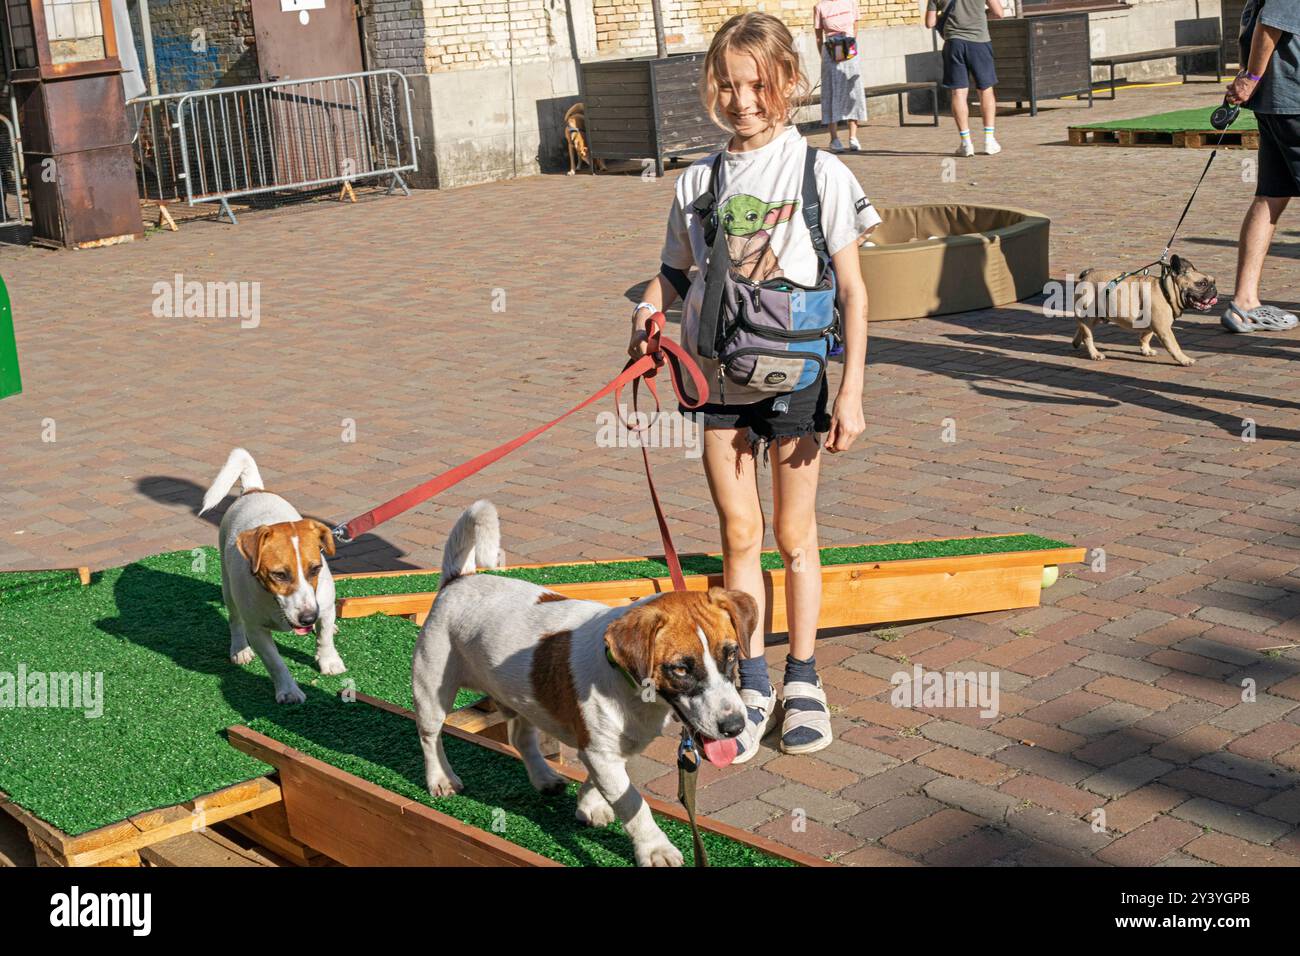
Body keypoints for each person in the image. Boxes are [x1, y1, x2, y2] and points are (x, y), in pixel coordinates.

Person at [627, 12, 876, 761]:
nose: (742, 101)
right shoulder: (697, 180)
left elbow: (857, 293)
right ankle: (754, 675)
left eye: (757, 85)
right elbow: (673, 273)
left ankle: (804, 678)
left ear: (789, 84)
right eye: (728, 86)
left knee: (794, 536)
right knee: (739, 536)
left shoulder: (821, 174)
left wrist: (854, 390)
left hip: (796, 379)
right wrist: (649, 309)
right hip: (716, 381)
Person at [1222, 0, 1300, 333]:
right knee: (1270, 195)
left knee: (1271, 195)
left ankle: (1244, 303)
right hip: (1293, 102)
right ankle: (1244, 302)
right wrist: (1250, 77)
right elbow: (1269, 25)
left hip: (1278, 103)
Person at [925, 0, 1005, 157]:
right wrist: (980, 14)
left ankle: (966, 143)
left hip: (953, 44)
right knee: (985, 90)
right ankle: (989, 141)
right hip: (979, 42)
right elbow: (999, 13)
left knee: (958, 93)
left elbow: (930, 22)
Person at [814, 0, 867, 152]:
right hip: (830, 50)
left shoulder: (851, 3)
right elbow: (818, 36)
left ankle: (853, 136)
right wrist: (824, 55)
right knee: (831, 91)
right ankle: (834, 138)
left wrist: (849, 44)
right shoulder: (820, 7)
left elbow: (856, 25)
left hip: (849, 48)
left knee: (853, 90)